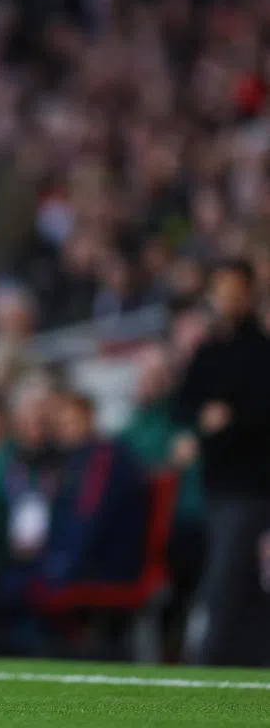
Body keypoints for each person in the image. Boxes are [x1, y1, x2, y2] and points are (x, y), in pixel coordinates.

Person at [173, 258, 270, 666]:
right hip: (212, 486)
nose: (227, 298)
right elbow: (185, 406)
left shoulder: (261, 352)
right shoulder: (208, 351)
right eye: (221, 289)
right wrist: (199, 425)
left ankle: (205, 662)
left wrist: (225, 421)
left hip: (249, 488)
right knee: (235, 582)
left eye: (234, 290)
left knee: (224, 582)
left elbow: (261, 414)